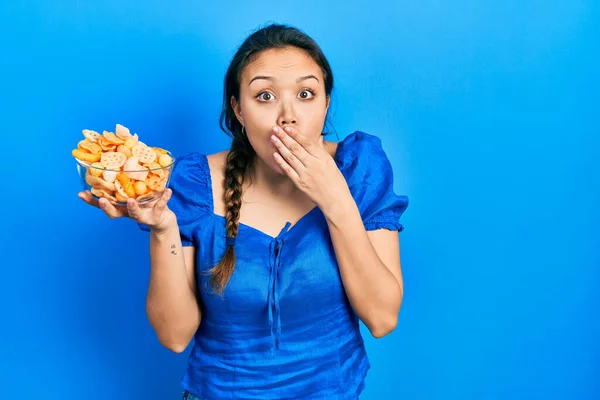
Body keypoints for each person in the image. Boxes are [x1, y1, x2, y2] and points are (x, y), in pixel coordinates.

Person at [79, 23, 409, 400]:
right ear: (238, 109)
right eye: (264, 96)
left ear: (326, 103)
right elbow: (174, 336)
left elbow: (382, 318)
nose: (288, 117)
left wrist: (335, 199)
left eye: (305, 94)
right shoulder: (193, 183)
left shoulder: (358, 169)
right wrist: (163, 229)